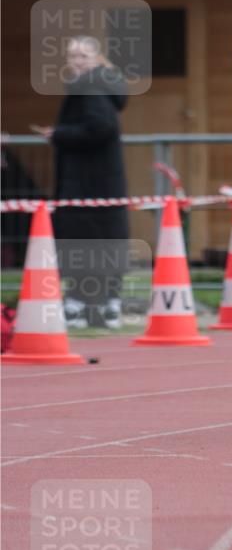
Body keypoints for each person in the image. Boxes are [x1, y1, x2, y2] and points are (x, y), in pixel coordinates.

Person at [33, 36, 130, 330]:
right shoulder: (104, 84)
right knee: (105, 241)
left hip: (86, 182)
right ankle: (107, 303)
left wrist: (59, 134)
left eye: (82, 56)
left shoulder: (90, 86)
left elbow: (101, 126)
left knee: (80, 240)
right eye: (72, 55)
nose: (76, 61)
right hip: (102, 182)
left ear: (96, 59)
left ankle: (78, 303)